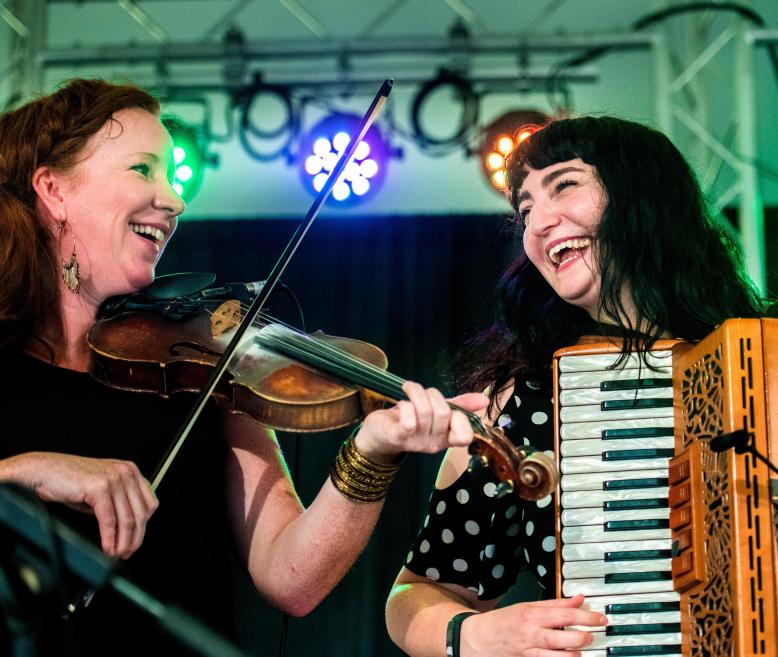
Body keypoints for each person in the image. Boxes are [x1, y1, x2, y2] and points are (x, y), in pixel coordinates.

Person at [0, 78, 489, 656]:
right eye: (143, 170)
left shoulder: (198, 368)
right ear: (53, 189)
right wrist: (23, 472)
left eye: (172, 178)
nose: (175, 201)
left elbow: (293, 577)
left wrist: (374, 449)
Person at [384, 116, 778, 657]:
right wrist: (471, 635)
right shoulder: (518, 404)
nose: (539, 221)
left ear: (640, 194)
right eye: (524, 209)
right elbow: (418, 591)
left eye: (564, 185)